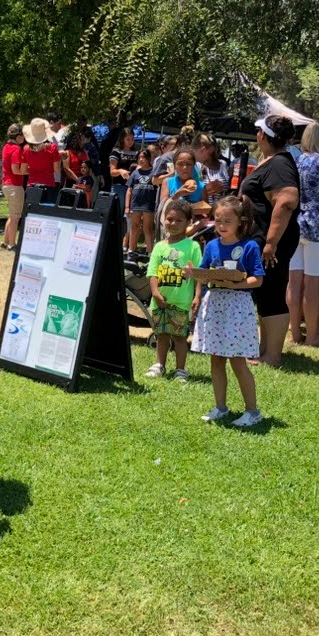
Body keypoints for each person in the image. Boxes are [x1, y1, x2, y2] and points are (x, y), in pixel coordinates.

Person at [190, 195, 264, 428]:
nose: (222, 226)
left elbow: (257, 279)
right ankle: (221, 407)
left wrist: (236, 284)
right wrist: (195, 283)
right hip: (215, 304)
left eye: (227, 221)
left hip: (238, 306)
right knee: (216, 358)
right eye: (218, 220)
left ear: (240, 222)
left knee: (237, 360)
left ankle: (252, 411)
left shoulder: (249, 246)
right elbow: (203, 272)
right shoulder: (211, 245)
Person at [240, 115, 300, 366]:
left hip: (272, 243)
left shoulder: (280, 164)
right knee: (264, 293)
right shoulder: (273, 161)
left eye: (258, 132)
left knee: (272, 293)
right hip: (263, 240)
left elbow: (286, 201)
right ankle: (265, 349)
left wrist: (271, 242)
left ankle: (273, 355)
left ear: (263, 135)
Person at [287, 122, 319, 348]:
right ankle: (313, 336)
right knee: (313, 284)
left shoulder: (295, 161)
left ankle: (295, 332)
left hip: (296, 224)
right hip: (318, 227)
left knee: (294, 282)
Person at [146, 199, 202, 381]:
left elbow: (198, 275)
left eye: (179, 220)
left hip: (181, 302)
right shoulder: (159, 247)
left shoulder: (192, 246)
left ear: (188, 223)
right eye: (169, 219)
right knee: (161, 334)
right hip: (160, 301)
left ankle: (180, 369)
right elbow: (152, 272)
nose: (173, 224)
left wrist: (197, 296)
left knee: (179, 337)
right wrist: (155, 292)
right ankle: (159, 364)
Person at [0, 123, 27, 251]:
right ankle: (12, 244)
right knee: (16, 217)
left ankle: (5, 242)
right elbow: (16, 170)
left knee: (12, 215)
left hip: (6, 184)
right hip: (15, 185)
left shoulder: (6, 147)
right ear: (19, 136)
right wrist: (29, 171)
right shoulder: (16, 149)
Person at [126, 150, 157, 253]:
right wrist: (127, 206)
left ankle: (150, 252)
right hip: (135, 204)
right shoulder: (135, 173)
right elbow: (129, 190)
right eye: (139, 158)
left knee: (147, 228)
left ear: (148, 159)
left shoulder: (154, 172)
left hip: (148, 204)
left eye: (143, 157)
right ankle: (131, 250)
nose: (141, 159)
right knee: (134, 227)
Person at [21, 118, 61, 191]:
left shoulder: (26, 149)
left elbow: (23, 170)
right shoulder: (52, 147)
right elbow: (57, 169)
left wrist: (33, 170)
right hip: (48, 185)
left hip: (31, 186)